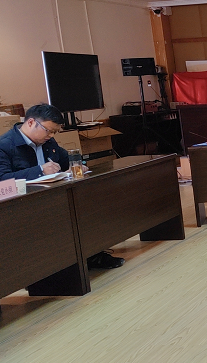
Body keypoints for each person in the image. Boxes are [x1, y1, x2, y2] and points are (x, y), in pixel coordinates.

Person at [0, 104, 123, 269]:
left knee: (89, 201)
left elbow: (68, 159)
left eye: (55, 132)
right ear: (30, 123)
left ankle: (93, 254)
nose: (51, 136)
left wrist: (78, 165)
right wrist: (39, 170)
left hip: (53, 197)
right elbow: (3, 180)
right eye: (48, 130)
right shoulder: (5, 145)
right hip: (24, 205)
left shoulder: (48, 142)